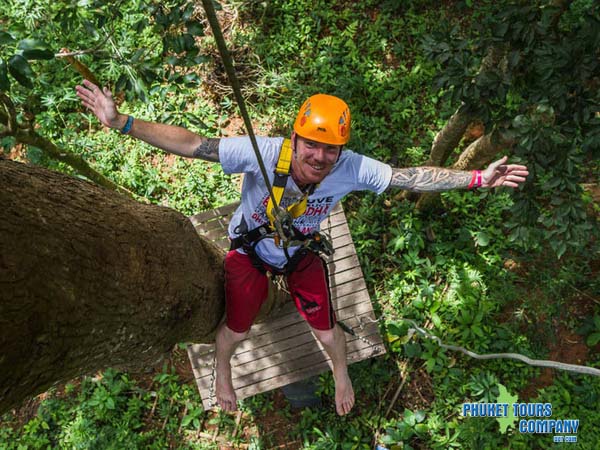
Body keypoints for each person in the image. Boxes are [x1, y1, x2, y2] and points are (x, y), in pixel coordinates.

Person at [76, 80, 529, 415]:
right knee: (235, 329)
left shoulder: (351, 167)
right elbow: (197, 145)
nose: (320, 157)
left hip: (299, 251)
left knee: (326, 325)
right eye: (312, 144)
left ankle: (340, 371)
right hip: (251, 252)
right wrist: (122, 123)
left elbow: (410, 175)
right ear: (295, 138)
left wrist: (476, 179)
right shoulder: (265, 151)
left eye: (330, 149)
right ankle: (225, 373)